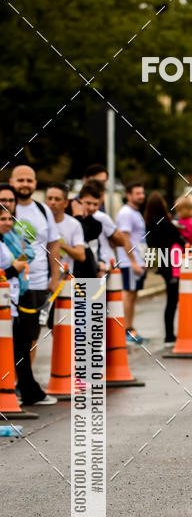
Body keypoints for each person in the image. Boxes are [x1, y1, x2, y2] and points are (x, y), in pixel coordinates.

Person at [0, 206, 57, 405]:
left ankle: (26, 390)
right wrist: (13, 269)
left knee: (21, 345)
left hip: (13, 301)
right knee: (17, 347)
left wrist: (19, 263)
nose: (8, 222)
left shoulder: (10, 237)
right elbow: (7, 269)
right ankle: (21, 390)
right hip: (5, 305)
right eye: (3, 219)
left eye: (9, 218)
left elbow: (29, 254)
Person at [10, 165, 61, 364]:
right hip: (9, 282)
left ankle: (24, 383)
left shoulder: (43, 210)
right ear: (12, 182)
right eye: (20, 180)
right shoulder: (5, 207)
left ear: (35, 184)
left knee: (32, 337)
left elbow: (53, 244)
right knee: (8, 334)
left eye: (29, 180)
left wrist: (55, 278)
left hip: (38, 283)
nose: (25, 184)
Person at [144, 191, 185, 344]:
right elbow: (178, 239)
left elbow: (150, 242)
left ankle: (170, 332)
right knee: (173, 300)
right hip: (172, 263)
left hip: (162, 262)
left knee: (171, 299)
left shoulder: (149, 221)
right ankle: (169, 334)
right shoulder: (165, 222)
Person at [115, 182, 147, 344]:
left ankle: (130, 328)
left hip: (138, 261)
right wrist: (133, 261)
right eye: (137, 193)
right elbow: (125, 238)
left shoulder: (136, 212)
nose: (141, 196)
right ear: (128, 195)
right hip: (129, 262)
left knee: (133, 295)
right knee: (128, 294)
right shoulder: (126, 213)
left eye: (142, 193)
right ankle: (126, 330)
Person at [45, 183, 85, 274]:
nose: (53, 202)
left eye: (57, 199)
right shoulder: (39, 222)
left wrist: (60, 245)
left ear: (66, 203)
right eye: (49, 198)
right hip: (41, 278)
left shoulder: (74, 224)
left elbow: (81, 255)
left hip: (64, 277)